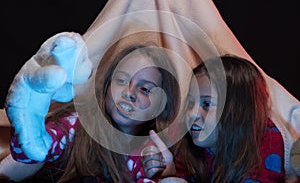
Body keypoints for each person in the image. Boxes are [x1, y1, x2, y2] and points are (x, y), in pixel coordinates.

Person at [9, 43, 180, 183]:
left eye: (144, 89)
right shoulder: (75, 126)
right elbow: (27, 153)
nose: (129, 92)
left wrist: (166, 177)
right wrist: (28, 123)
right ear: (106, 87)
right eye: (121, 80)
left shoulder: (154, 154)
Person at [142, 54, 289, 182]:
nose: (192, 113)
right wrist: (169, 174)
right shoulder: (186, 143)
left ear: (238, 111)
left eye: (206, 104)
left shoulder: (267, 141)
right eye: (191, 103)